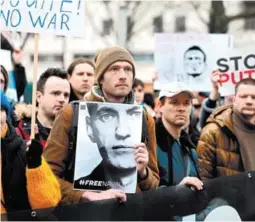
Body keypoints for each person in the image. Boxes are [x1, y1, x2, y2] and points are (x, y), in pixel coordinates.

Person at [44, 46, 159, 204]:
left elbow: (153, 186)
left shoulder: (145, 119)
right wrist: (84, 195)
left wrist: (143, 172)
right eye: (114, 69)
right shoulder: (72, 113)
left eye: (128, 69)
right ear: (101, 77)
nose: (123, 76)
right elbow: (48, 175)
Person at [1, 90, 61, 214]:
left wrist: (35, 166)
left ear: (6, 114)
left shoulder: (23, 151)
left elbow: (47, 206)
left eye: (0, 109)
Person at [74, 102, 143, 193]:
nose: (122, 132)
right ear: (90, 128)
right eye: (106, 117)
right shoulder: (81, 187)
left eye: (135, 115)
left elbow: (155, 182)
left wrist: (144, 173)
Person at [197, 78, 255, 180]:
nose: (249, 101)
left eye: (254, 97)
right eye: (243, 96)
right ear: (234, 100)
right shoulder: (214, 131)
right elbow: (203, 177)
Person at [156, 82, 202, 188]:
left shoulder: (190, 148)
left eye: (186, 103)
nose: (182, 108)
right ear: (160, 106)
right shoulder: (149, 143)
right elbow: (145, 192)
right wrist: (177, 192)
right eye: (175, 102)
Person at [16, 68, 70, 148]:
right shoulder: (19, 134)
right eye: (55, 93)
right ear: (38, 97)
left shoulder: (73, 134)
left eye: (66, 95)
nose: (62, 99)